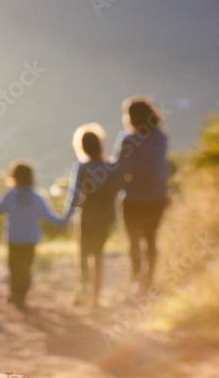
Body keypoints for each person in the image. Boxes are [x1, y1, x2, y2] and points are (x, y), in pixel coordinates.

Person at [0, 161, 70, 311]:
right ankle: (21, 296)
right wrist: (66, 217)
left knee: (14, 267)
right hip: (30, 238)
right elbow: (50, 217)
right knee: (26, 267)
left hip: (14, 238)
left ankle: (15, 294)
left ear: (14, 177)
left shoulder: (10, 195)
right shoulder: (38, 198)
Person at [110, 96, 169, 293]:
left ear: (131, 117)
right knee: (151, 240)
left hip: (133, 199)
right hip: (157, 198)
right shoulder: (161, 138)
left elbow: (120, 169)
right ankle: (149, 280)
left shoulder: (128, 140)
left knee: (134, 242)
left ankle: (135, 280)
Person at [67, 123, 124, 307]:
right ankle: (96, 298)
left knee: (84, 255)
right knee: (98, 255)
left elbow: (74, 196)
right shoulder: (111, 166)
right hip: (107, 217)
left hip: (87, 217)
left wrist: (65, 217)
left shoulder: (82, 167)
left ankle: (83, 291)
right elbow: (118, 189)